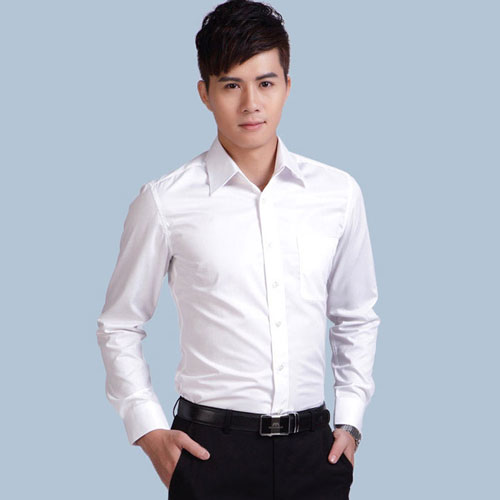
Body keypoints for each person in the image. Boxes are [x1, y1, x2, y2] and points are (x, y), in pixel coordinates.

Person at [96, 0, 381, 498]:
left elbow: (355, 315)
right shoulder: (165, 202)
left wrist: (351, 422)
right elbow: (119, 324)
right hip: (210, 453)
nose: (251, 103)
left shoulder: (338, 194)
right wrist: (149, 431)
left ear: (287, 86)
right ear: (204, 93)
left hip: (315, 452)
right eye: (231, 85)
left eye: (266, 83)